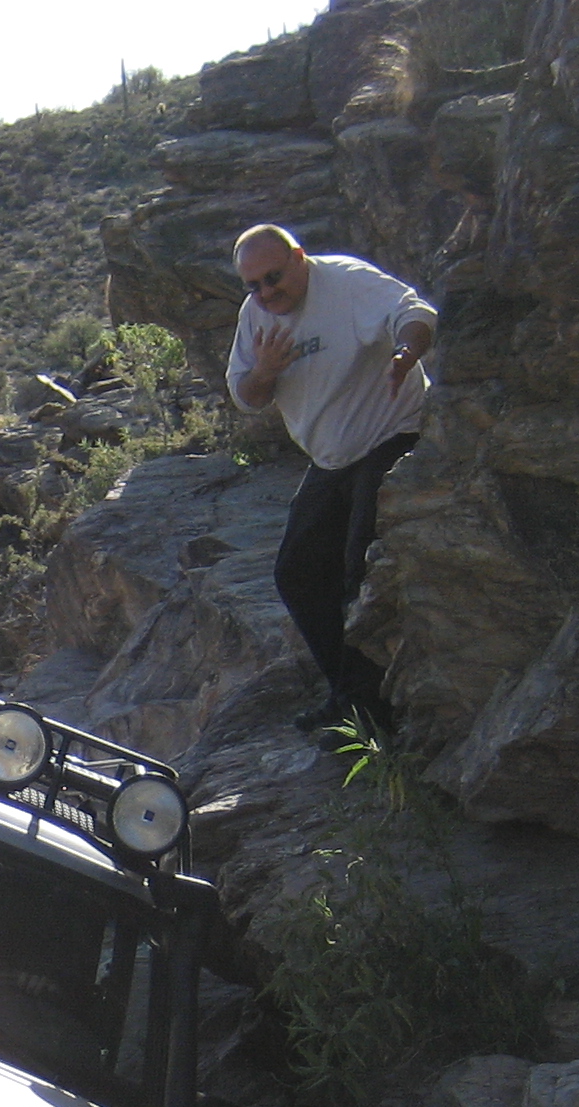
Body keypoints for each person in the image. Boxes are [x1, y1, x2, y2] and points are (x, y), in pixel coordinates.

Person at [225, 223, 437, 733]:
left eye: (273, 278)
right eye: (253, 285)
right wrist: (266, 370)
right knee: (297, 574)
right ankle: (347, 694)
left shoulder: (345, 281)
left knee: (360, 569)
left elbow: (414, 312)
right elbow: (246, 396)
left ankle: (375, 712)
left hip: (391, 433)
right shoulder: (256, 315)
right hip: (330, 457)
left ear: (299, 257)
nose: (266, 292)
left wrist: (406, 354)